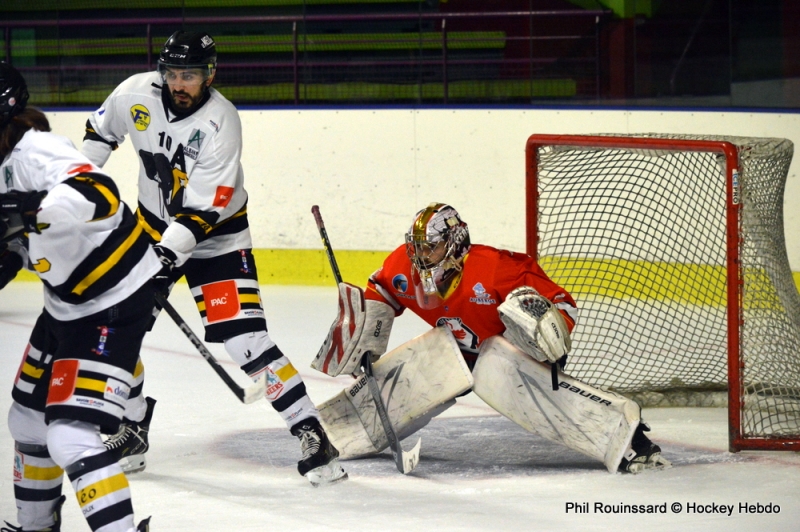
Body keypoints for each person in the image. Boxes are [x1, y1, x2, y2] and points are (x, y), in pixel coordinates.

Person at [80, 31, 346, 486]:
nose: (179, 84)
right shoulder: (133, 94)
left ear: (210, 75)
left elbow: (202, 211)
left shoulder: (222, 122)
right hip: (149, 228)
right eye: (172, 74)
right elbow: (98, 136)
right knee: (114, 328)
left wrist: (165, 256)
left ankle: (311, 432)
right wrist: (76, 191)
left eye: (190, 75)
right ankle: (131, 428)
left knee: (245, 340)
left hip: (217, 240)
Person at [314, 202, 671, 474]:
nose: (420, 256)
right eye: (417, 247)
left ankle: (626, 436)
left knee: (495, 364)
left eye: (430, 247)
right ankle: (332, 432)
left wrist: (546, 329)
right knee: (428, 357)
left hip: (509, 353)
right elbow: (381, 290)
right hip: (455, 349)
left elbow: (563, 303)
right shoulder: (403, 268)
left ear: (454, 244)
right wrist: (367, 331)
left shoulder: (497, 269)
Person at [0, 62, 152, 532]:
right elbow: (15, 252)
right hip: (66, 302)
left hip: (113, 303)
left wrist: (30, 210)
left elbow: (99, 192)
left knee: (69, 436)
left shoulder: (36, 151)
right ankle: (36, 527)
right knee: (26, 423)